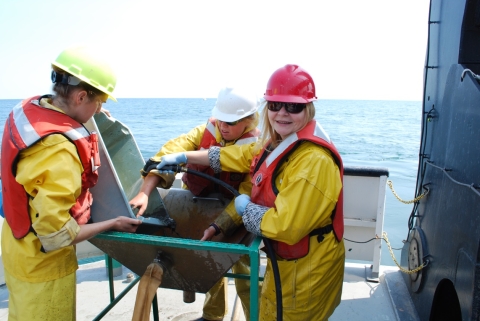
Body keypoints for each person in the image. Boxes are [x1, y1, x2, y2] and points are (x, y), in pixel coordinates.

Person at [151, 64, 346, 320]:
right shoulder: (277, 142)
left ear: (308, 108)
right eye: (275, 105)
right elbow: (238, 155)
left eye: (293, 106)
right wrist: (185, 156)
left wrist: (245, 208)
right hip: (289, 264)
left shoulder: (313, 163)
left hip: (307, 271)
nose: (282, 113)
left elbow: (286, 226)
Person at [0, 46, 142, 321]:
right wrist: (113, 224)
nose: (100, 109)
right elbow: (55, 236)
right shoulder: (59, 152)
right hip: (43, 265)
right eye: (99, 102)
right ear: (79, 96)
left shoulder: (30, 107)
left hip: (17, 247)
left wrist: (94, 118)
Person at [129, 86, 261, 321]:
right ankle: (212, 316)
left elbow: (248, 192)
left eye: (231, 122)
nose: (223, 126)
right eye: (221, 120)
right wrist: (145, 192)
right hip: (199, 206)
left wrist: (218, 227)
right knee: (209, 267)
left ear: (249, 121)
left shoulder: (256, 149)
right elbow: (168, 152)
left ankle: (257, 317)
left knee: (245, 271)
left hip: (236, 213)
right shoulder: (204, 133)